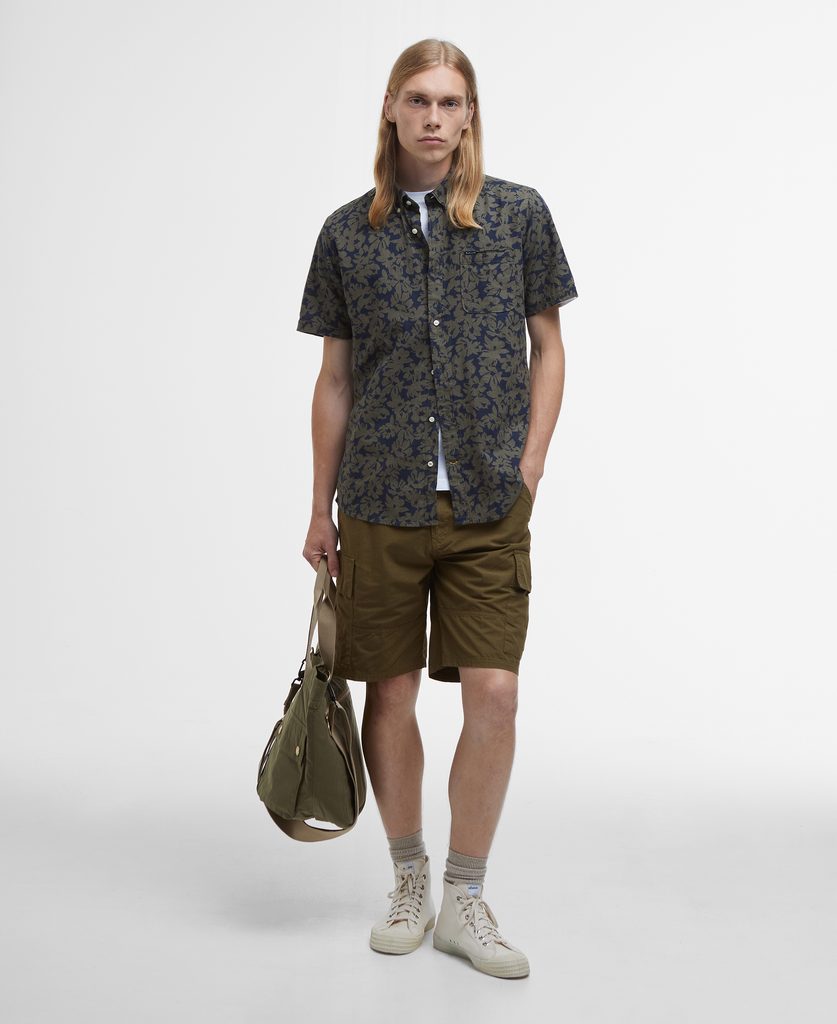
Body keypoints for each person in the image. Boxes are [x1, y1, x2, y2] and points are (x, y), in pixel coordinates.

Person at [296, 38, 578, 980]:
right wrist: (319, 509)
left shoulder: (517, 214)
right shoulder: (347, 233)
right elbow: (334, 379)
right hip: (380, 500)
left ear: (469, 115)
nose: (432, 117)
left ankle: (465, 895)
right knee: (391, 693)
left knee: (494, 691)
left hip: (490, 501)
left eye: (450, 102)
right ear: (389, 107)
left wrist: (530, 462)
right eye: (417, 99)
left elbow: (549, 346)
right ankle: (408, 879)